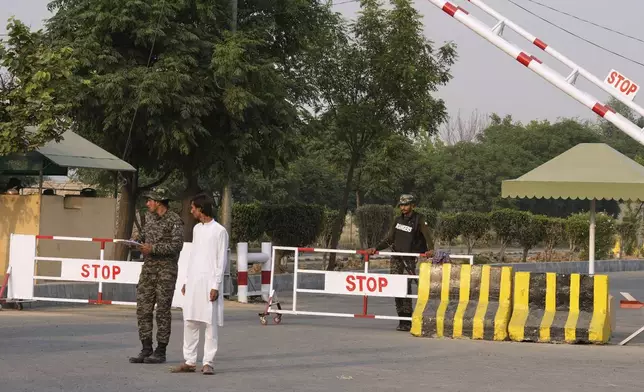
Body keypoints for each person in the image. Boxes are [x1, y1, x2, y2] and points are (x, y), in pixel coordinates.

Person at [171, 193, 228, 375]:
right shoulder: (197, 229)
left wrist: (216, 285)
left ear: (201, 208)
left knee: (209, 323)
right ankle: (189, 360)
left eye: (193, 207)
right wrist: (187, 280)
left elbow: (221, 260)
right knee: (190, 321)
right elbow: (194, 256)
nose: (191, 210)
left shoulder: (219, 231)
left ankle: (208, 362)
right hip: (194, 281)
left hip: (209, 282)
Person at [128, 188, 184, 364]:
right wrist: (135, 243)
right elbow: (143, 237)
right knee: (143, 309)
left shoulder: (175, 220)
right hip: (148, 270)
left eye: (150, 200)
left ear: (159, 201)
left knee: (162, 311)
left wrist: (153, 249)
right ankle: (146, 348)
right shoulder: (150, 219)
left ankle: (160, 351)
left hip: (166, 271)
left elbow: (176, 246)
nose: (147, 204)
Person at [367, 194, 434, 332]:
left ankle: (408, 320)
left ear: (413, 205)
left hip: (408, 259)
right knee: (396, 288)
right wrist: (376, 248)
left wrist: (431, 249)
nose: (403, 208)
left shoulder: (419, 219)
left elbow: (427, 235)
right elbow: (390, 239)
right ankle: (401, 320)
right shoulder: (397, 220)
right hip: (396, 258)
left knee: (406, 289)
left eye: (406, 205)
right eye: (401, 205)